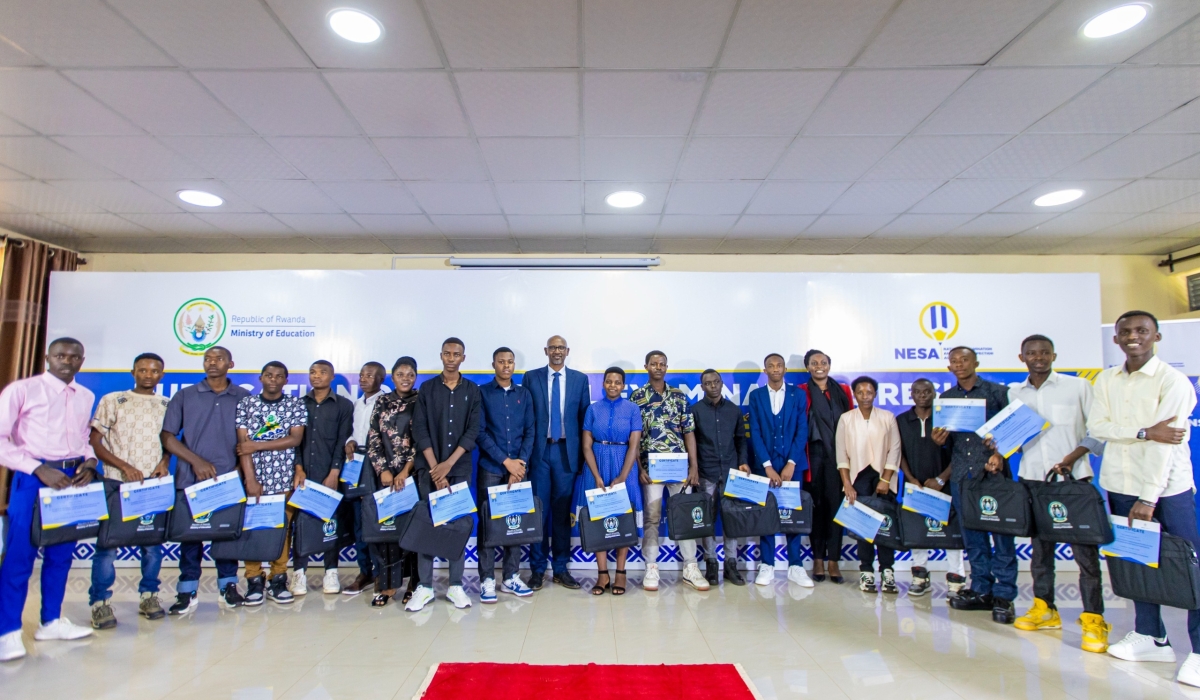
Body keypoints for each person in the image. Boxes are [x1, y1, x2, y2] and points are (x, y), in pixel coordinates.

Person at [1090, 311, 1200, 686]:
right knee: (1136, 562)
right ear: (1116, 339)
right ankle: (1152, 635)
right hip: (1119, 486)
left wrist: (1149, 498)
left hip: (1166, 490)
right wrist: (1141, 431)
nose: (1133, 336)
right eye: (1126, 332)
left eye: (1142, 331)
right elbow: (1098, 428)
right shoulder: (1106, 380)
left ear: (1156, 336)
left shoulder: (1173, 382)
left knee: (1191, 567)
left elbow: (1165, 446)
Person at [1007, 335, 1110, 652]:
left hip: (1072, 480)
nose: (1038, 357)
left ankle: (1094, 618)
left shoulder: (1078, 387)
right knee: (1040, 553)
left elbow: (1099, 432)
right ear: (1022, 357)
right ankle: (1045, 608)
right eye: (1031, 353)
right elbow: (1008, 435)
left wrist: (1071, 459)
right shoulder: (1014, 392)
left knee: (1086, 557)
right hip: (1032, 480)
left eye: (1044, 352)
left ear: (1054, 355)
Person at [0, 338, 99, 661]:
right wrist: (38, 469)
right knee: (19, 557)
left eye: (73, 357)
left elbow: (83, 439)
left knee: (61, 555)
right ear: (47, 358)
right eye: (60, 355)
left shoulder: (85, 395)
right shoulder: (22, 390)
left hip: (71, 482)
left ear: (82, 361)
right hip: (33, 480)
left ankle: (51, 622)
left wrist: (89, 461)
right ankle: (7, 632)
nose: (66, 361)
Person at [161, 345, 250, 614]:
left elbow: (249, 440)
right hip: (192, 478)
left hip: (229, 480)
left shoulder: (244, 397)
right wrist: (195, 462)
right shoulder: (185, 395)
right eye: (207, 359)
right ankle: (187, 591)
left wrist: (238, 468)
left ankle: (228, 586)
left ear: (230, 364)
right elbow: (167, 436)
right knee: (191, 538)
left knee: (226, 536)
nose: (212, 363)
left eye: (219, 359)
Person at [87, 352, 173, 629]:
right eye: (143, 370)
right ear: (133, 372)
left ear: (162, 374)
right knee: (108, 547)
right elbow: (96, 442)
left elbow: (169, 442)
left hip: (152, 485)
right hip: (117, 483)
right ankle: (99, 602)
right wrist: (125, 467)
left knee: (152, 547)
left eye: (155, 371)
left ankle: (149, 595)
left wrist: (164, 462)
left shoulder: (166, 404)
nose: (149, 375)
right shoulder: (113, 400)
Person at [941, 346, 1016, 624]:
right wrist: (941, 440)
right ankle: (981, 590)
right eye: (954, 361)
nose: (959, 364)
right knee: (974, 539)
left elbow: (1014, 432)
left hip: (994, 476)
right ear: (949, 367)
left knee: (1002, 538)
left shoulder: (998, 393)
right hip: (963, 477)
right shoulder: (947, 398)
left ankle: (1005, 595)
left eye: (964, 360)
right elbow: (949, 441)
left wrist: (1000, 452)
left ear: (976, 362)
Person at [406, 338, 482, 611]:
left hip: (458, 469)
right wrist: (435, 467)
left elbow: (472, 432)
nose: (451, 358)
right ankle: (424, 587)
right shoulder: (427, 389)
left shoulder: (472, 391)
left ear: (464, 357)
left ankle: (456, 586)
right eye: (447, 354)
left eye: (457, 354)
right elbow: (421, 431)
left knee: (456, 527)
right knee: (427, 526)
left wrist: (448, 465)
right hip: (430, 469)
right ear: (441, 356)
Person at [632, 350, 709, 591]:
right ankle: (651, 566)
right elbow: (633, 438)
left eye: (662, 364)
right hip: (650, 469)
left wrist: (693, 466)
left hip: (679, 469)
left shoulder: (679, 396)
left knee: (684, 517)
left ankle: (690, 567)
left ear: (667, 367)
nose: (658, 367)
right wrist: (638, 467)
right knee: (652, 517)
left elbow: (689, 433)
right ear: (646, 366)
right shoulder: (637, 397)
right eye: (653, 364)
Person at [235, 361, 306, 606]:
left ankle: (278, 578)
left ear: (286, 380)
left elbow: (295, 439)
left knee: (281, 530)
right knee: (253, 529)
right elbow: (243, 446)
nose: (273, 379)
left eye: (278, 376)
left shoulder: (295, 405)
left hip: (284, 477)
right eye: (268, 375)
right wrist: (250, 479)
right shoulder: (246, 404)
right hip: (255, 477)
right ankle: (254, 579)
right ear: (261, 378)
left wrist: (257, 444)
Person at [522, 335, 590, 591]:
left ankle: (561, 568)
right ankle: (537, 570)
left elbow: (584, 420)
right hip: (540, 454)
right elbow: (527, 417)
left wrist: (583, 456)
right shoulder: (531, 377)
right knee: (538, 513)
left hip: (566, 454)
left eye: (561, 347)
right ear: (546, 351)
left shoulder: (579, 380)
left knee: (562, 514)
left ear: (567, 351)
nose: (557, 351)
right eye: (553, 347)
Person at [476, 347, 536, 603]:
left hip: (519, 470)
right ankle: (487, 579)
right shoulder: (482, 393)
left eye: (510, 362)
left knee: (516, 524)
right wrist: (506, 462)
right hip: (492, 468)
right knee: (488, 524)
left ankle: (511, 576)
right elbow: (480, 432)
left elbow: (530, 431)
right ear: (493, 365)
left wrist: (519, 465)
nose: (506, 366)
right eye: (501, 362)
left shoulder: (524, 393)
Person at [896, 378, 964, 597]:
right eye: (917, 391)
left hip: (945, 485)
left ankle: (955, 579)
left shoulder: (947, 420)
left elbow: (960, 454)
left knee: (952, 533)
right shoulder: (901, 421)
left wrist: (942, 479)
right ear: (911, 395)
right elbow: (898, 454)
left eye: (927, 391)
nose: (922, 395)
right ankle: (920, 576)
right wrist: (910, 479)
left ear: (935, 394)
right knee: (918, 532)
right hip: (915, 486)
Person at [748, 353, 811, 587]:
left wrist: (791, 463)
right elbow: (754, 431)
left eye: (779, 365)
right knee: (766, 516)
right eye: (770, 366)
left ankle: (796, 565)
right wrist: (767, 467)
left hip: (791, 467)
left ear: (785, 369)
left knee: (792, 514)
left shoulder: (798, 394)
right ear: (765, 371)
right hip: (765, 468)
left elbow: (801, 430)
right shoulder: (756, 396)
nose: (775, 369)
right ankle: (767, 565)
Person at [293, 360, 354, 596]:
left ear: (332, 377)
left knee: (331, 525)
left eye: (322, 372)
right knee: (302, 524)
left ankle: (331, 572)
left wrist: (334, 472)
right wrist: (298, 468)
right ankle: (299, 573)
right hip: (303, 475)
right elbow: (295, 441)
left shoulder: (343, 405)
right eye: (312, 372)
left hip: (330, 474)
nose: (316, 376)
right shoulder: (299, 404)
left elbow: (343, 440)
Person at [580, 367, 643, 596]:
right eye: (609, 381)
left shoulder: (633, 409)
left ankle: (621, 573)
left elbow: (634, 445)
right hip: (596, 465)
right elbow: (586, 445)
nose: (613, 385)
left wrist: (623, 477)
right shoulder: (593, 409)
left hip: (624, 465)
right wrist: (596, 475)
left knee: (622, 518)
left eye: (618, 382)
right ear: (603, 384)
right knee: (599, 518)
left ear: (623, 385)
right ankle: (602, 573)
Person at [836, 376, 902, 594]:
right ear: (854, 394)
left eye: (869, 392)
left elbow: (895, 450)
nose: (865, 396)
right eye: (860, 392)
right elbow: (841, 454)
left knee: (886, 526)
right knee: (864, 529)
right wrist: (847, 483)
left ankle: (888, 571)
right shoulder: (846, 418)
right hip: (857, 479)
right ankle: (866, 571)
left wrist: (885, 479)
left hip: (884, 479)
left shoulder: (887, 417)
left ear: (875, 394)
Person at [365, 357, 420, 607]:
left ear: (415, 376)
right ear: (393, 377)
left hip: (412, 477)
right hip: (385, 478)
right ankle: (387, 586)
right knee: (387, 532)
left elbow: (422, 440)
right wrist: (383, 470)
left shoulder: (422, 401)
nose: (405, 378)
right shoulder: (382, 401)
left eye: (410, 374)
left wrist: (406, 470)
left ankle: (414, 584)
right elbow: (374, 438)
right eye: (400, 374)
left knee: (413, 530)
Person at [689, 369, 749, 586]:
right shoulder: (695, 410)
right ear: (702, 386)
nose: (712, 386)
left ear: (722, 384)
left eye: (716, 382)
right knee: (707, 519)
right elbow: (691, 441)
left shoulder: (734, 410)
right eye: (708, 383)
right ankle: (711, 563)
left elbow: (741, 439)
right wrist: (693, 468)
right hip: (706, 473)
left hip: (732, 472)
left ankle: (731, 564)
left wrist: (743, 461)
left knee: (731, 518)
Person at [800, 350, 853, 584]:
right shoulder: (802, 391)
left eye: (823, 362)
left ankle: (834, 561)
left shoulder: (844, 391)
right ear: (807, 367)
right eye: (814, 363)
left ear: (829, 365)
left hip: (839, 457)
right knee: (817, 510)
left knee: (836, 510)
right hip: (814, 457)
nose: (819, 366)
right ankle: (818, 560)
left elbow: (852, 424)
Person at [342, 361, 386, 596]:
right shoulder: (357, 404)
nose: (363, 379)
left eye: (369, 375)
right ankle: (364, 571)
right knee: (359, 521)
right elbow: (352, 431)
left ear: (381, 380)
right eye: (361, 375)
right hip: (356, 464)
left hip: (377, 466)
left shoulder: (386, 402)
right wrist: (349, 440)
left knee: (376, 522)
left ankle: (381, 572)